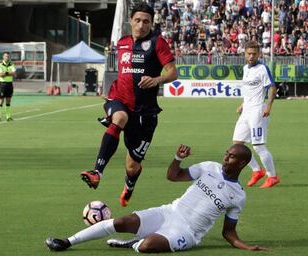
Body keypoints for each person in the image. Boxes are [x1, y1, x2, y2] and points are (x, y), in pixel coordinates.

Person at [45, 144, 267, 253]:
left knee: (146, 247)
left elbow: (228, 232)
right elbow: (173, 176)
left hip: (186, 232)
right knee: (121, 222)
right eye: (227, 154)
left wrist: (246, 247)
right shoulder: (208, 167)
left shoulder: (238, 196)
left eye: (231, 157)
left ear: (242, 164)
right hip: (169, 212)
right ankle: (68, 241)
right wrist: (177, 158)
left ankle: (134, 242)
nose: (226, 158)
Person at [80, 2, 178, 207]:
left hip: (145, 113)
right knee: (120, 117)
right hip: (119, 100)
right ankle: (96, 172)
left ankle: (129, 185)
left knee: (132, 166)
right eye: (138, 20)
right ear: (130, 21)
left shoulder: (157, 43)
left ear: (151, 23)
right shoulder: (122, 42)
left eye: (146, 22)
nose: (141, 25)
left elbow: (172, 72)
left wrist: (157, 80)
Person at [232, 40, 280, 188]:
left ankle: (272, 176)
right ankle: (257, 170)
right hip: (246, 110)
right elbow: (248, 91)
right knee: (237, 145)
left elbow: (272, 88)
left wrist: (269, 106)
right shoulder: (246, 68)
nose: (251, 56)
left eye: (254, 54)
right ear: (244, 54)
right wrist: (243, 104)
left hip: (258, 110)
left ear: (259, 54)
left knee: (258, 146)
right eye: (248, 53)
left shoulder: (262, 69)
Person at [0, 52, 16, 121]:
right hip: (2, 84)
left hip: (9, 84)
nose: (6, 57)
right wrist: (9, 73)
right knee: (1, 100)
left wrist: (5, 73)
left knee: (8, 100)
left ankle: (8, 116)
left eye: (7, 56)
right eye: (5, 56)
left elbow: (14, 74)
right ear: (3, 57)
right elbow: (0, 74)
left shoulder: (12, 64)